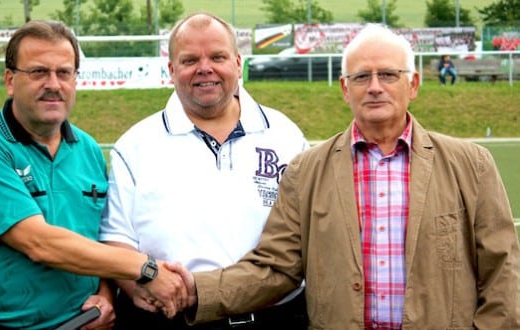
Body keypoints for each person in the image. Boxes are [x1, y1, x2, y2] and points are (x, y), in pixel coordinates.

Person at [178, 23, 520, 329]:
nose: (374, 87)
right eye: (361, 77)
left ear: (413, 84)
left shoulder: (472, 165)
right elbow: (275, 268)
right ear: (345, 88)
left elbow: (502, 271)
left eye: (388, 74)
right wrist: (197, 291)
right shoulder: (305, 171)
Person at [0, 20, 187, 330]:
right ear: (9, 80)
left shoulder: (87, 149)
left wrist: (106, 293)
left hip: (84, 324)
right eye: (38, 72)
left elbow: (101, 237)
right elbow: (38, 242)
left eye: (64, 73)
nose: (53, 84)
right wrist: (145, 268)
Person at [100, 12, 309, 330]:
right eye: (189, 60)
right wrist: (139, 288)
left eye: (217, 56)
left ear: (238, 63)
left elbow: (305, 237)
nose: (205, 68)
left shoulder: (285, 135)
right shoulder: (135, 145)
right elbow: (117, 240)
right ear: (171, 69)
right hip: (170, 318)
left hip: (276, 317)